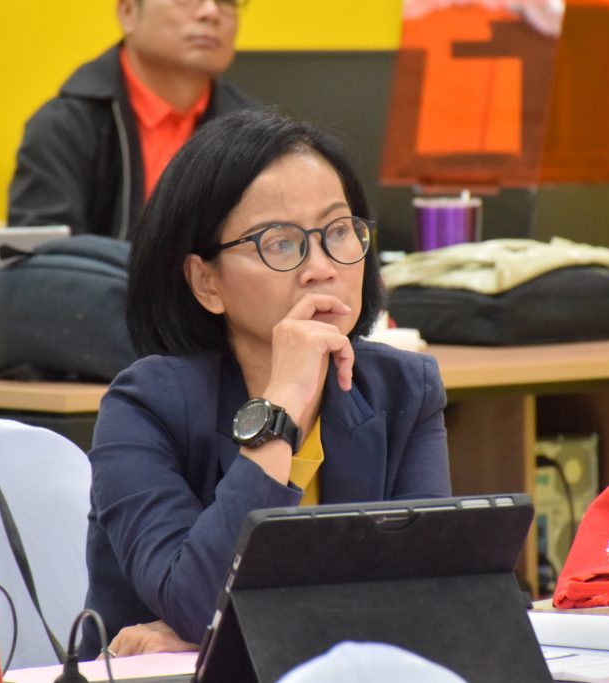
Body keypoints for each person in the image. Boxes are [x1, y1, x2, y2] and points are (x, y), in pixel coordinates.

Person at [82, 109, 452, 658]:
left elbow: (431, 592)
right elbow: (198, 603)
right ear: (206, 282)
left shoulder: (404, 388)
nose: (322, 267)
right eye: (280, 243)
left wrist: (241, 626)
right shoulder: (142, 409)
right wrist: (282, 404)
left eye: (338, 231)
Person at [7, 0, 258, 240]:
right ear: (128, 12)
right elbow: (43, 258)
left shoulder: (255, 133)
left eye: (226, 0)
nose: (211, 12)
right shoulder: (64, 127)